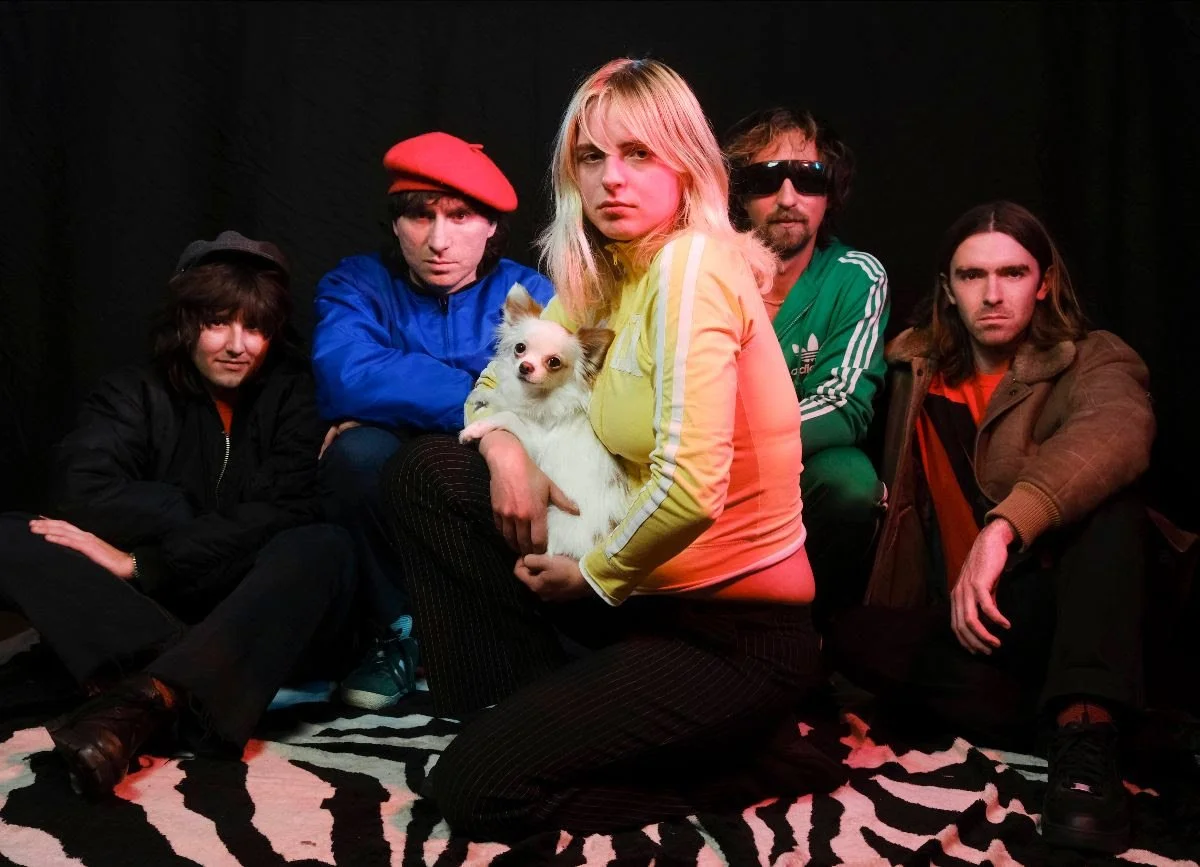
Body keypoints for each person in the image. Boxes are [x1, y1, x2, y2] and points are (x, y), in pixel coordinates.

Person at [380, 58, 846, 841]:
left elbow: (690, 489)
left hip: (733, 634)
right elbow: (493, 388)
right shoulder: (605, 272)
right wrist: (507, 453)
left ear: (686, 163)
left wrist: (592, 575)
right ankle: (535, 714)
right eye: (591, 157)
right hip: (644, 604)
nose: (612, 178)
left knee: (476, 792)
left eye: (638, 153)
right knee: (428, 472)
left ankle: (755, 761)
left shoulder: (692, 265)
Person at [827, 202, 1154, 854]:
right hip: (975, 619)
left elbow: (1116, 433)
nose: (993, 294)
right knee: (850, 637)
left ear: (1045, 282)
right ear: (948, 288)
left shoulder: (1094, 359)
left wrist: (1003, 527)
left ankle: (1086, 732)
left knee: (1115, 514)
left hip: (1068, 601)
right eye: (973, 275)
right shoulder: (913, 366)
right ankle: (1081, 716)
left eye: (1013, 273)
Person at [0, 231, 356, 798]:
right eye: (217, 322)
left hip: (252, 602)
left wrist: (148, 561)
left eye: (256, 327)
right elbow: (80, 492)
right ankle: (188, 677)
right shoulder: (133, 392)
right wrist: (181, 518)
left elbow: (293, 509)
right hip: (156, 614)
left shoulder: (298, 397)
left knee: (324, 546)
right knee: (15, 534)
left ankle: (138, 691)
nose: (237, 345)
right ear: (185, 323)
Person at [311, 132, 554, 711]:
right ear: (397, 225)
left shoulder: (531, 291)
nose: (438, 240)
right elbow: (346, 374)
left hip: (487, 476)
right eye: (421, 216)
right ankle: (396, 630)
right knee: (356, 455)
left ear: (491, 226)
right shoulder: (357, 283)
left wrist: (404, 405)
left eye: (460, 216)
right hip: (395, 473)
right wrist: (487, 397)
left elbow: (550, 397)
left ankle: (495, 627)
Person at [723, 108, 889, 622]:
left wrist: (738, 447)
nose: (788, 198)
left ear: (830, 192)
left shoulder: (854, 275)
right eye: (766, 180)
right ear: (740, 195)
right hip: (698, 462)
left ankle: (812, 633)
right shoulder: (709, 269)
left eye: (809, 178)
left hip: (783, 459)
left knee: (849, 483)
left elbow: (844, 406)